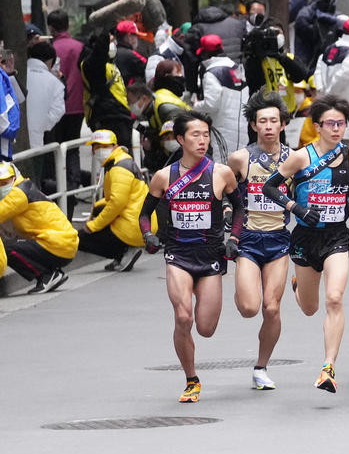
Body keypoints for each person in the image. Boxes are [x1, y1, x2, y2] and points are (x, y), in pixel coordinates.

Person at [262, 93, 349, 393]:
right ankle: (299, 284)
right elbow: (270, 187)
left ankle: (328, 367)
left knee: (334, 298)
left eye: (341, 123)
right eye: (330, 123)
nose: (336, 129)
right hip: (306, 237)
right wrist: (296, 208)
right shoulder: (300, 157)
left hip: (336, 236)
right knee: (309, 307)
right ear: (317, 126)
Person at [138, 111, 241, 402]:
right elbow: (144, 214)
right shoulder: (163, 177)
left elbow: (240, 209)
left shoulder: (221, 173)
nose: (202, 140)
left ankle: (193, 364)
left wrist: (233, 238)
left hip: (210, 257)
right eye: (195, 135)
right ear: (180, 139)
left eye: (206, 135)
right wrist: (148, 235)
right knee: (183, 317)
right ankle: (191, 379)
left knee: (206, 328)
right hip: (178, 256)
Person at [225, 92, 294, 391]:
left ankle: (261, 367)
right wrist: (228, 212)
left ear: (282, 124)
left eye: (273, 121)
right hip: (249, 240)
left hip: (279, 240)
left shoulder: (295, 158)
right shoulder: (240, 158)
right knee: (250, 308)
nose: (268, 126)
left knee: (272, 308)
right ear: (253, 125)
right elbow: (227, 194)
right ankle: (243, 290)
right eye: (262, 121)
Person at [75, 130, 148, 273]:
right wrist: (96, 208)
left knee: (80, 239)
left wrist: (93, 225)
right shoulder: (121, 161)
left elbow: (117, 203)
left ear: (115, 146)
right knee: (99, 210)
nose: (100, 150)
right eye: (97, 147)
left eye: (105, 146)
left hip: (133, 225)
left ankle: (124, 251)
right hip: (139, 221)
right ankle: (123, 252)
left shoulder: (118, 168)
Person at [0, 162, 79, 293]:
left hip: (57, 243)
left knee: (9, 249)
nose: (2, 186)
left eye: (4, 182)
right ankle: (50, 273)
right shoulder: (24, 188)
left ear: (14, 178)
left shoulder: (18, 193)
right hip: (62, 243)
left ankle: (47, 275)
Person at [46, 9, 85, 209]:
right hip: (77, 105)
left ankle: (58, 187)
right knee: (73, 148)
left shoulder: (50, 48)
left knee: (55, 147)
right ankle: (74, 184)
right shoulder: (80, 47)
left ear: (51, 27)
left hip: (55, 107)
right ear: (68, 25)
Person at [193, 34, 249, 163]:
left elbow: (212, 104)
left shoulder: (211, 73)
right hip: (242, 127)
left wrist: (196, 105)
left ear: (205, 53)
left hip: (222, 129)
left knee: (223, 168)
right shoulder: (237, 68)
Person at [80, 30, 134, 149]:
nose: (113, 43)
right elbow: (98, 55)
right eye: (109, 41)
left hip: (120, 117)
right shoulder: (92, 65)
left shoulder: (110, 65)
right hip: (107, 118)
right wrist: (103, 31)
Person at [316, 16, 349, 140]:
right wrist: (330, 94)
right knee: (342, 140)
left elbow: (318, 71)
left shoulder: (330, 48)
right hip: (344, 104)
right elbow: (342, 76)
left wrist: (322, 93)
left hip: (326, 104)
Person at [25, 41, 65, 181]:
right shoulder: (54, 83)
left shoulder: (16, 75)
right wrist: (41, 125)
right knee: (34, 182)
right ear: (49, 61)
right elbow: (58, 111)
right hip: (37, 141)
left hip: (9, 142)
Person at [293, 0, 343, 70]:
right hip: (309, 63)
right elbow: (304, 31)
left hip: (330, 65)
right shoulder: (306, 14)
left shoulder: (338, 17)